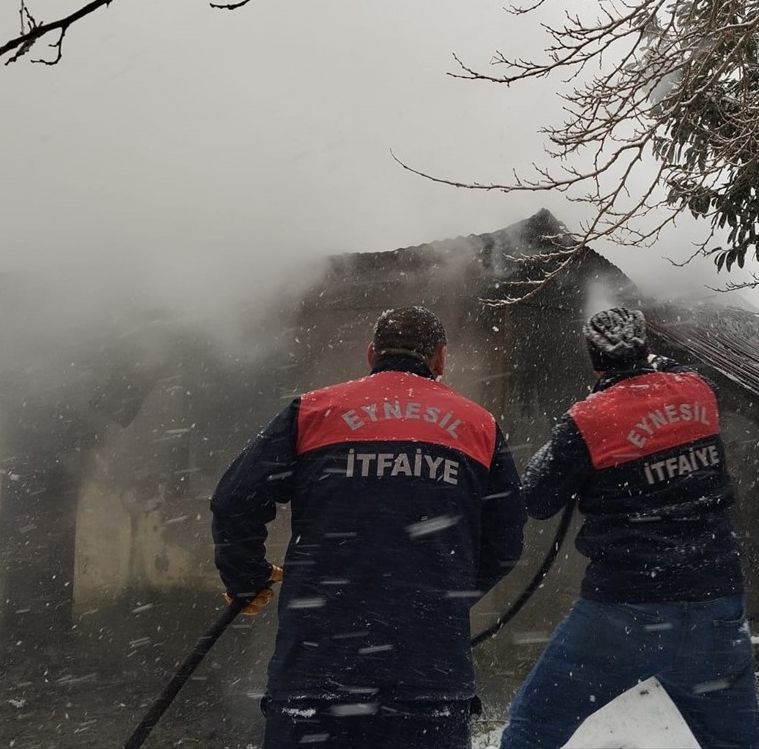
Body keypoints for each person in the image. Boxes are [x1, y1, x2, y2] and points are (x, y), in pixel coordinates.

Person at [211, 305, 526, 749]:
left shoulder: (312, 412)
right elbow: (507, 540)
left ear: (371, 354)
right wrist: (440, 595)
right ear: (440, 359)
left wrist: (247, 579)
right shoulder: (479, 427)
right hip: (428, 681)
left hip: (316, 674)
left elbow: (235, 500)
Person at [500, 307, 759, 749]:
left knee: (533, 728)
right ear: (646, 347)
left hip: (623, 611)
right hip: (716, 604)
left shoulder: (588, 419)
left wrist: (577, 433)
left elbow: (536, 498)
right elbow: (678, 373)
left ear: (594, 358)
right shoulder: (698, 392)